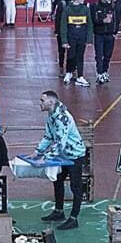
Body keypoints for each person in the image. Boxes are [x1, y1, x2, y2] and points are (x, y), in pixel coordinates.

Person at [36, 92, 90, 230]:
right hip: (64, 154)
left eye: (42, 100)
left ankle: (73, 218)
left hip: (75, 155)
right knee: (58, 180)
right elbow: (48, 137)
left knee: (75, 186)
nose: (40, 103)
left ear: (51, 102)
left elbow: (60, 143)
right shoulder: (51, 116)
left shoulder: (62, 118)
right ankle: (59, 211)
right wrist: (37, 152)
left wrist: (46, 158)